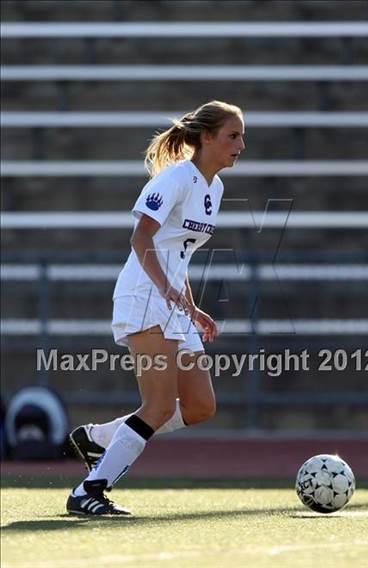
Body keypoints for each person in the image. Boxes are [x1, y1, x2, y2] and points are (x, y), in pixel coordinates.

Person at [66, 100, 245, 515]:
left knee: (201, 406)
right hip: (144, 296)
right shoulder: (176, 179)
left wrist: (191, 307)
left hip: (171, 303)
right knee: (160, 406)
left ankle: (100, 437)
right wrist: (166, 291)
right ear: (206, 137)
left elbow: (175, 252)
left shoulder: (213, 189)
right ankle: (88, 491)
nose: (241, 144)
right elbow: (141, 239)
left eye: (242, 136)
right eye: (232, 136)